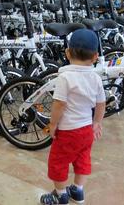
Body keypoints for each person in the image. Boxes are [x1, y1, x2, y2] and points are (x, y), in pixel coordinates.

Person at [39, 29, 106, 205]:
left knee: (58, 162)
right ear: (95, 57)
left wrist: (53, 124)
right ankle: (77, 190)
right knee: (83, 159)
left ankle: (60, 195)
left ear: (67, 53)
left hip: (68, 131)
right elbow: (101, 104)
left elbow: (59, 104)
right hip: (86, 131)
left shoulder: (65, 77)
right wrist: (97, 122)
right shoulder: (96, 78)